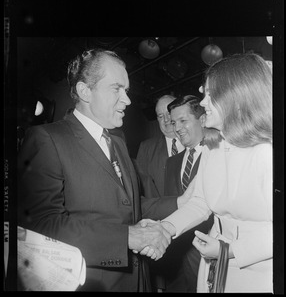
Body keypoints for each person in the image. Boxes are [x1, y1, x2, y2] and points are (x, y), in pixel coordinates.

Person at [17, 48, 187, 292]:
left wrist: (183, 202)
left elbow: (133, 205)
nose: (127, 99)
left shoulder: (117, 140)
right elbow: (41, 225)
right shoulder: (46, 139)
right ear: (85, 91)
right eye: (116, 88)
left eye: (126, 90)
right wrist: (127, 237)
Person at [139, 53, 273, 293]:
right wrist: (166, 228)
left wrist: (228, 250)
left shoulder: (269, 152)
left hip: (259, 269)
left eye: (210, 95)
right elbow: (200, 202)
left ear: (237, 97)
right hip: (214, 265)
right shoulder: (214, 146)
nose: (202, 103)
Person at [151, 95, 213, 292]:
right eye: (173, 121)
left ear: (201, 119)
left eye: (183, 121)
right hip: (175, 258)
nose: (176, 128)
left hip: (205, 254)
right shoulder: (172, 162)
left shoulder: (216, 153)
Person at [136, 95, 185, 198]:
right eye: (160, 116)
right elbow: (142, 191)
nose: (166, 120)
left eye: (169, 113)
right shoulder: (146, 148)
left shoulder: (197, 142)